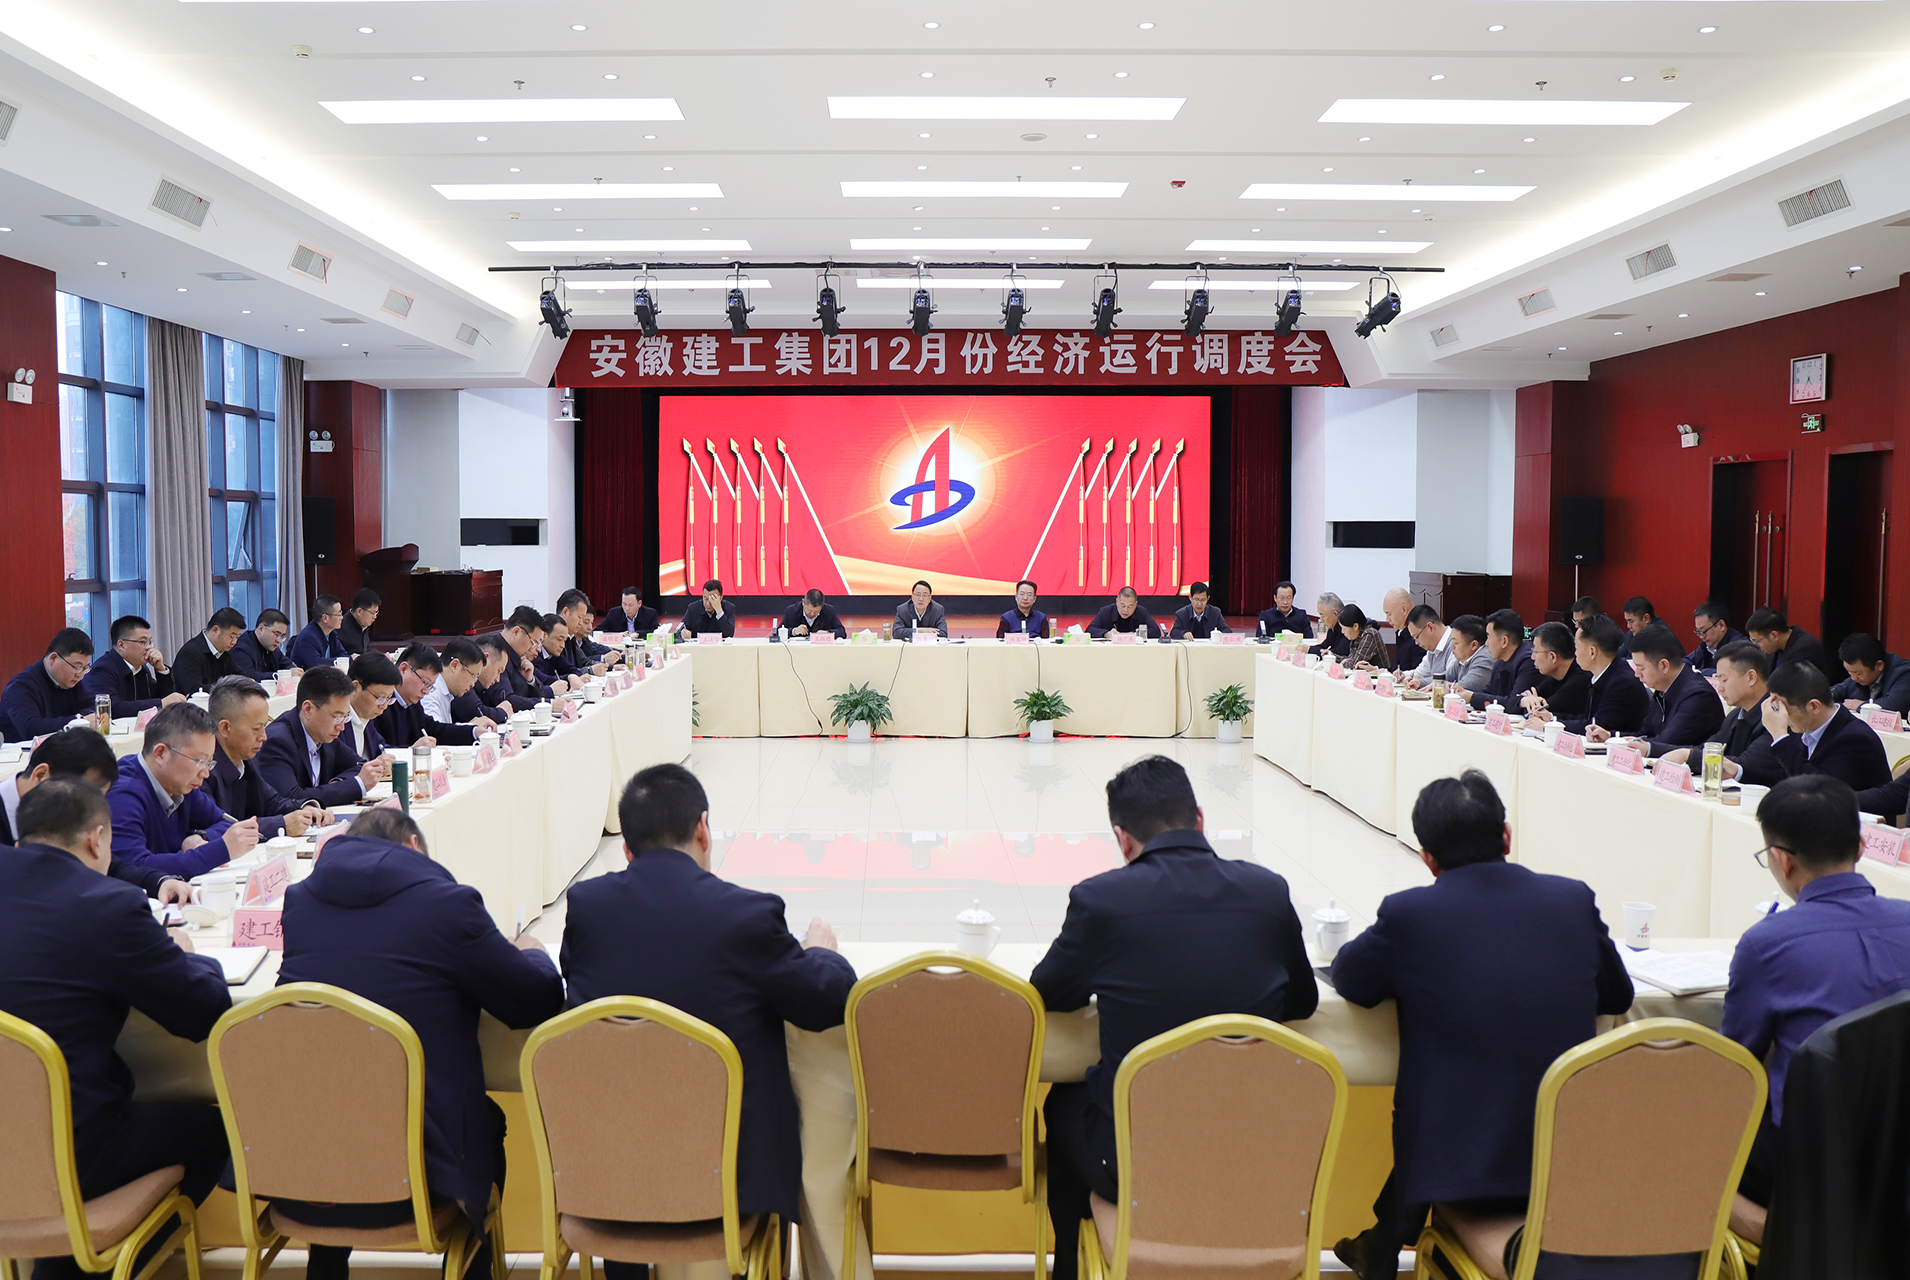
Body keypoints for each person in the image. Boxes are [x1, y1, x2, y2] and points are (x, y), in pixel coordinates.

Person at [1331, 773, 1632, 1279]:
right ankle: (1382, 1238)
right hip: (1569, 1163)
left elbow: (1351, 980)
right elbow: (1618, 995)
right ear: (1507, 836)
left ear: (1428, 858)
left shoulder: (1411, 914)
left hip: (1460, 1173)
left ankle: (1386, 1239)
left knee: (1448, 1094)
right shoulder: (1572, 900)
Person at [1032, 755, 1316, 1280]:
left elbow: (1047, 992)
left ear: (1123, 840)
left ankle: (1069, 1264)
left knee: (1066, 1101)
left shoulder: (1101, 901)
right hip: (1255, 1164)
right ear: (1200, 819)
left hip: (1138, 1171)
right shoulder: (1268, 892)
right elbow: (1302, 1003)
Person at [560, 763, 855, 1263]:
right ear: (703, 828)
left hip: (610, 1178)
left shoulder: (587, 907)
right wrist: (820, 952)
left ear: (627, 848)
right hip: (727, 1184)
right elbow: (826, 1000)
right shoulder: (745, 915)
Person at [277, 807, 564, 1280]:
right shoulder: (446, 904)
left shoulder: (300, 902)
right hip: (420, 1176)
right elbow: (535, 1001)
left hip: (306, 1170)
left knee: (336, 1104)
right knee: (484, 1121)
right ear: (413, 845)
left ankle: (325, 1268)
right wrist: (531, 953)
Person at [0, 778, 232, 1280]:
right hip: (70, 1149)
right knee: (216, 1132)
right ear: (97, 838)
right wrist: (187, 955)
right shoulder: (107, 904)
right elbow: (204, 1012)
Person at [1723, 774, 1910, 1209]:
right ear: (1860, 847)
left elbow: (1735, 1062)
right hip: (1899, 1159)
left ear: (1781, 861)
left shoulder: (1767, 944)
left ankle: (1777, 1235)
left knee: (1683, 1135)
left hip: (1814, 1164)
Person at [110, 702, 262, 878]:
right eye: (200, 761)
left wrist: (201, 837)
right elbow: (134, 868)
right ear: (161, 753)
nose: (206, 773)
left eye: (209, 762)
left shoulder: (182, 786)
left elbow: (225, 822)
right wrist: (220, 850)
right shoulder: (122, 794)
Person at [1728, 660, 1892, 791]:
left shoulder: (1855, 739)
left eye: (1785, 710)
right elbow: (1786, 777)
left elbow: (1816, 788)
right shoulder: (1808, 725)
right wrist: (1738, 771)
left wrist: (1779, 735)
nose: (1781, 717)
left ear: (1814, 706)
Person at [203, 676, 333, 841]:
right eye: (256, 729)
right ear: (225, 728)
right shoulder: (202, 771)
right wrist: (281, 825)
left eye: (265, 726)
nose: (264, 737)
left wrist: (305, 808)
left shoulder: (245, 760)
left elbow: (272, 803)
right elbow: (214, 829)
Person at [257, 666, 382, 809]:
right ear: (308, 709)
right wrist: (356, 785)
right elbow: (291, 798)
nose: (341, 727)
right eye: (337, 717)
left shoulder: (325, 735)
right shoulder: (277, 741)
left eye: (345, 717)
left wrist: (336, 784)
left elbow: (359, 766)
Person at [1530, 615, 1650, 737]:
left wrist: (1548, 726)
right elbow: (1588, 718)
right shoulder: (1604, 674)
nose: (1575, 653)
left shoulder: (1622, 683)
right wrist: (1552, 717)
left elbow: (1597, 726)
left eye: (1576, 648)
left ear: (1592, 652)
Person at [1659, 641, 1771, 771]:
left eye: (1724, 680)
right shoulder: (1735, 715)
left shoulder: (1777, 717)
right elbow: (1706, 749)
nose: (1720, 689)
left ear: (1751, 677)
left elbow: (1746, 765)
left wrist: (1688, 756)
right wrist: (1650, 748)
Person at [1618, 623, 1726, 756]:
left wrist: (1639, 744)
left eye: (1641, 668)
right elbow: (1645, 734)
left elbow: (1666, 742)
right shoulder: (1662, 689)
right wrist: (1612, 736)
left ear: (1664, 665)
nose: (1637, 674)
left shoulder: (1699, 696)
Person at [374, 644, 480, 748]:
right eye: (425, 683)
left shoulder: (412, 704)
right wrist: (411, 751)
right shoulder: (380, 703)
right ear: (404, 669)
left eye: (430, 686)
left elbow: (435, 730)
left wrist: (474, 732)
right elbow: (378, 750)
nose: (426, 692)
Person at [1, 628, 97, 740]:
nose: (80, 674)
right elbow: (31, 729)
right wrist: (79, 721)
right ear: (53, 658)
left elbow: (93, 708)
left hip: (62, 746)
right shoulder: (20, 687)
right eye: (76, 666)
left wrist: (83, 718)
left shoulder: (72, 682)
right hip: (23, 750)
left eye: (85, 668)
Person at [81, 615, 183, 718]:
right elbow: (112, 709)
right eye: (143, 642)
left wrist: (161, 669)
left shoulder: (141, 669)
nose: (148, 648)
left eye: (149, 642)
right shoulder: (102, 670)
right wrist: (161, 703)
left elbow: (164, 699)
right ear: (121, 645)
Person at [419, 637, 496, 733]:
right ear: (455, 665)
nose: (473, 684)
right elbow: (435, 732)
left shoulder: (445, 691)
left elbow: (443, 729)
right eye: (473, 676)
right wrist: (472, 728)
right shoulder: (431, 691)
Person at [1518, 621, 1591, 720]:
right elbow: (1517, 700)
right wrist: (1526, 701)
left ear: (1552, 657)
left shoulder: (1580, 679)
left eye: (1535, 652)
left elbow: (1540, 712)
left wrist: (1530, 702)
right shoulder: (1554, 676)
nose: (1532, 657)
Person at [1746, 608, 1838, 684]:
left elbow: (1790, 687)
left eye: (1756, 641)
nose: (1755, 646)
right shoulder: (1773, 648)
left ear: (1774, 635)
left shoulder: (1806, 648)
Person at [171, 608, 246, 697]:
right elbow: (194, 690)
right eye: (232, 636)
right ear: (215, 630)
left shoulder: (224, 652)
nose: (234, 642)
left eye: (237, 637)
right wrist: (229, 689)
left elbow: (240, 676)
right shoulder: (189, 653)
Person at [1471, 609, 1536, 711]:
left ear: (1504, 641)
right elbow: (1490, 692)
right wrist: (1464, 694)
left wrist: (1472, 697)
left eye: (1489, 637)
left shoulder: (1528, 662)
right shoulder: (1500, 661)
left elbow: (1515, 703)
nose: (1486, 643)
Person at [343, 651, 401, 761]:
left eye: (389, 699)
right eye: (380, 698)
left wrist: (410, 751)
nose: (384, 706)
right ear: (355, 687)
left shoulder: (366, 717)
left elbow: (380, 749)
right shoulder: (337, 722)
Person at [1831, 632, 1910, 713]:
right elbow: (1837, 691)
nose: (1853, 678)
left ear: (1879, 665)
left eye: (1858, 673)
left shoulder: (1904, 673)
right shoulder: (1859, 676)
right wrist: (1827, 698)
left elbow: (1894, 705)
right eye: (1849, 672)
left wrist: (1861, 705)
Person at [464, 634, 521, 724]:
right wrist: (503, 713)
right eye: (499, 671)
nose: (498, 679)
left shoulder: (482, 686)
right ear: (486, 659)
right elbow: (477, 712)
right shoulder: (464, 677)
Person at [556, 589, 614, 674]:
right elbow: (565, 672)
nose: (580, 623)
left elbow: (584, 661)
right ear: (565, 612)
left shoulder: (570, 638)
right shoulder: (553, 639)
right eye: (580, 617)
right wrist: (590, 670)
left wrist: (611, 667)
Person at [232, 609, 299, 680]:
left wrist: (294, 671)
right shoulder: (241, 649)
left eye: (282, 636)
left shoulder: (272, 647)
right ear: (261, 628)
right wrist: (283, 675)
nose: (279, 640)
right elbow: (248, 676)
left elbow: (288, 665)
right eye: (276, 634)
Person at [288, 596, 349, 670]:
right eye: (339, 614)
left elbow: (343, 654)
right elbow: (316, 663)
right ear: (325, 618)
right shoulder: (307, 637)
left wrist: (344, 660)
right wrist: (343, 661)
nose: (342, 617)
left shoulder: (332, 634)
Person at [1688, 601, 1747, 674]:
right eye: (1698, 632)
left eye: (1704, 631)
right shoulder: (1705, 646)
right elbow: (1685, 662)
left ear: (1721, 625)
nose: (1701, 637)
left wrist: (1698, 672)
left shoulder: (1740, 647)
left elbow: (1727, 673)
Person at [1402, 606, 1453, 687]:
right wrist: (1403, 676)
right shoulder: (1432, 648)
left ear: (1430, 627)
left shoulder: (1456, 643)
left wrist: (1420, 682)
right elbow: (1420, 673)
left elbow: (1450, 677)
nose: (1416, 643)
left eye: (1417, 637)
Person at [1446, 614, 1496, 693]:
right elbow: (1444, 678)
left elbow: (1463, 688)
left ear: (1474, 645)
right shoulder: (1463, 659)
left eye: (1456, 643)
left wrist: (1441, 686)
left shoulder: (1485, 659)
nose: (1452, 646)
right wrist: (1433, 683)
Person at [1086, 587, 1160, 639]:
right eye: (1122, 605)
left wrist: (1137, 634)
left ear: (1135, 604)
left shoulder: (1141, 612)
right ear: (1117, 601)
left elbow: (1156, 631)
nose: (1125, 610)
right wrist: (1107, 634)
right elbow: (1089, 630)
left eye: (1130, 606)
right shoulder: (1106, 612)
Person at [532, 613, 582, 687]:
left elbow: (573, 670)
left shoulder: (554, 654)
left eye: (564, 640)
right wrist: (569, 678)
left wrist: (573, 677)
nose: (563, 646)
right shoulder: (534, 654)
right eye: (559, 639)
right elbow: (542, 680)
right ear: (544, 636)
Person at [780, 588, 848, 640]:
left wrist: (827, 633)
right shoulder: (791, 611)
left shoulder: (829, 611)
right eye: (809, 610)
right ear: (803, 602)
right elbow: (777, 633)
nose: (812, 614)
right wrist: (794, 631)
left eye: (816, 611)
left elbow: (842, 632)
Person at [339, 589, 380, 657]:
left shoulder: (363, 624)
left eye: (376, 613)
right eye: (373, 613)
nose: (375, 617)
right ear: (359, 611)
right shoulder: (340, 627)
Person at [1615, 594, 1657, 661]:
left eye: (1631, 621)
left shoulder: (1659, 638)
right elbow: (1620, 653)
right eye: (1627, 621)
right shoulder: (1633, 632)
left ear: (1646, 618)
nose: (1628, 626)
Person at [1314, 592, 1351, 658]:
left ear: (1335, 614)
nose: (1321, 619)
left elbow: (1339, 653)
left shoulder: (1347, 626)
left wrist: (1309, 650)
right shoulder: (1333, 627)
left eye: (1322, 615)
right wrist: (1308, 649)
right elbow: (1324, 646)